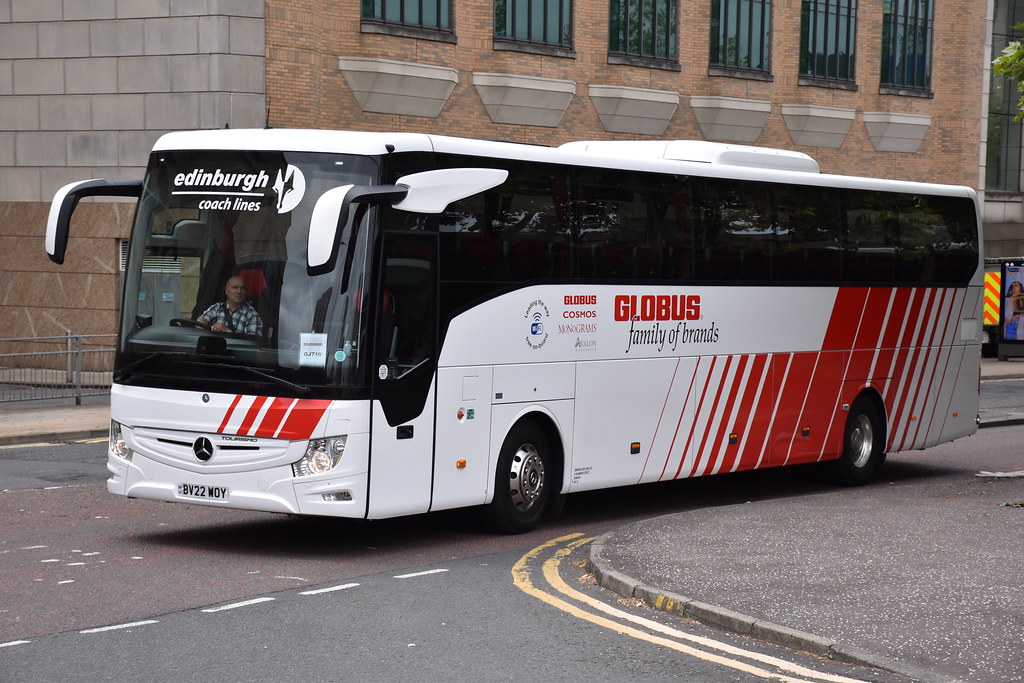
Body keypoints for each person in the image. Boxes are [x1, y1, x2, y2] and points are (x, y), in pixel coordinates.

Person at [197, 275, 262, 335]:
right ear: (226, 291)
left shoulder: (252, 314)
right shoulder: (217, 307)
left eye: (242, 288)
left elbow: (252, 343)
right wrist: (211, 328)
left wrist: (226, 330)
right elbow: (199, 322)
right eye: (235, 287)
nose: (239, 291)